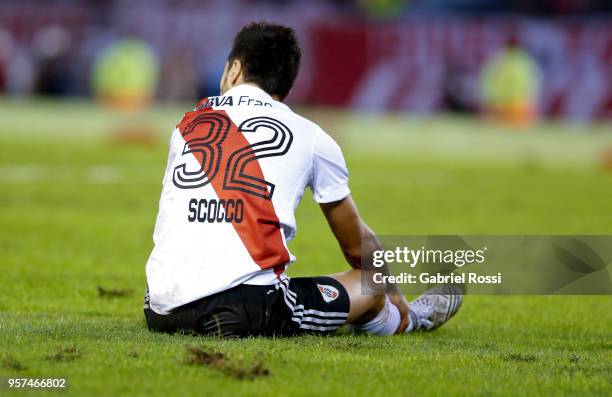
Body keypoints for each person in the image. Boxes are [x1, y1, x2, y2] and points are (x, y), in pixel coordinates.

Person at [144, 21, 462, 337]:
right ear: (287, 87)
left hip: (160, 308)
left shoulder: (187, 124)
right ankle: (406, 322)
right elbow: (355, 246)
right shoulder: (310, 136)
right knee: (372, 280)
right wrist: (390, 287)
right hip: (244, 311)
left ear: (235, 70)